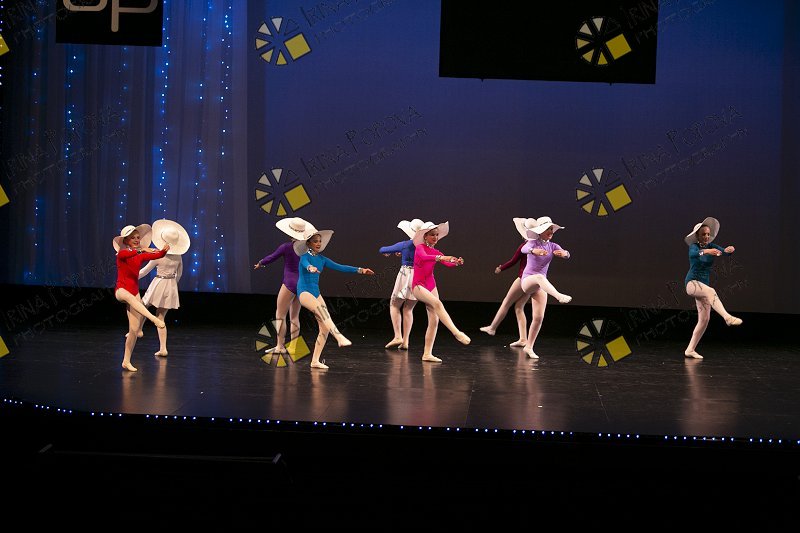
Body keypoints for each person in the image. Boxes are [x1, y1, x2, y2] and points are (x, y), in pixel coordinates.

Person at [295, 222, 375, 369]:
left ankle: (315, 361)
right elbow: (306, 264)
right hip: (304, 291)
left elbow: (341, 267)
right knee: (323, 312)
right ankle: (338, 336)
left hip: (316, 293)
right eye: (315, 241)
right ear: (308, 243)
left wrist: (361, 270)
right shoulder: (304, 257)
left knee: (324, 328)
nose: (318, 243)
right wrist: (310, 267)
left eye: (320, 241)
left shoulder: (322, 259)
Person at [411, 221, 471, 363]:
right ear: (425, 236)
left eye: (437, 235)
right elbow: (425, 257)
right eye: (432, 235)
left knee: (434, 320)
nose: (435, 237)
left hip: (431, 284)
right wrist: (441, 257)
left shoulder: (436, 252)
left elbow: (447, 263)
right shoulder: (420, 248)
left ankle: (427, 354)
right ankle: (456, 333)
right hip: (418, 285)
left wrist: (456, 262)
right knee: (437, 303)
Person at [683, 217, 742, 359]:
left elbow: (724, 252)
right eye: (703, 234)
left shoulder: (712, 246)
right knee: (711, 291)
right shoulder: (694, 247)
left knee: (704, 319)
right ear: (697, 236)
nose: (706, 236)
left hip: (703, 287)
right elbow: (694, 254)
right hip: (692, 283)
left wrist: (729, 250)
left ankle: (690, 350)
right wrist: (707, 252)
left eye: (708, 234)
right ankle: (727, 317)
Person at [131, 219, 191, 357]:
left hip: (159, 283)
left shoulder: (158, 256)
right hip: (170, 285)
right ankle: (162, 347)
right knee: (160, 316)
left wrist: (131, 277)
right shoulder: (178, 257)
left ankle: (138, 330)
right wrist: (173, 284)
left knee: (143, 306)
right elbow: (179, 274)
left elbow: (145, 271)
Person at [113, 224, 169, 372]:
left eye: (138, 237)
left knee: (133, 330)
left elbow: (157, 255)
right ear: (126, 240)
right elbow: (128, 254)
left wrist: (165, 249)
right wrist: (142, 249)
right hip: (121, 290)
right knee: (132, 300)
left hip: (134, 291)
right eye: (133, 238)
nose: (137, 240)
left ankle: (126, 361)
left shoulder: (140, 255)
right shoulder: (122, 253)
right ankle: (153, 319)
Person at [518, 217, 572, 360]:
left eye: (551, 229)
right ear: (540, 231)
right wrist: (533, 251)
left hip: (541, 286)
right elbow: (524, 249)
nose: (551, 231)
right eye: (548, 229)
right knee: (540, 277)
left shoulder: (552, 246)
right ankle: (559, 296)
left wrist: (565, 254)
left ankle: (529, 347)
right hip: (528, 281)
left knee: (538, 317)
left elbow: (566, 253)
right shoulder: (532, 242)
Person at [253, 217, 308, 356]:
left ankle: (280, 346)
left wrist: (261, 263)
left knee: (280, 315)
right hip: (302, 284)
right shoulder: (307, 249)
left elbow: (272, 257)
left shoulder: (286, 247)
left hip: (289, 283)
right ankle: (294, 347)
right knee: (294, 317)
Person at [479, 218, 535, 347]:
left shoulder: (525, 246)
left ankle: (492, 328)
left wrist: (501, 268)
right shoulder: (538, 246)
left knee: (506, 302)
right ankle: (523, 338)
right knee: (519, 307)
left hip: (523, 278)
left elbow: (513, 261)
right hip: (532, 282)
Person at [378, 218, 424, 350]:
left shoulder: (406, 244)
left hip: (406, 275)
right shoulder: (424, 246)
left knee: (394, 304)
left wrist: (393, 251)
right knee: (408, 309)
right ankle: (406, 341)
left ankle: (398, 336)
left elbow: (382, 249)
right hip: (419, 276)